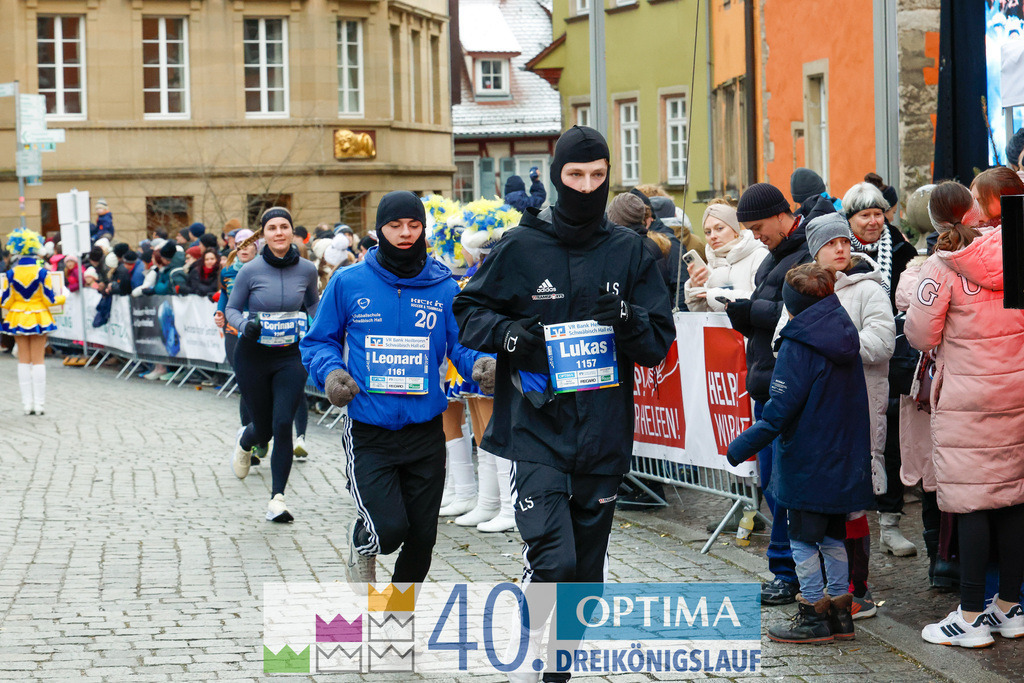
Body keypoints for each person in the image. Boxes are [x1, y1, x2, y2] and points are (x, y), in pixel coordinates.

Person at [453, 126, 674, 682]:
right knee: (554, 556)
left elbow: (657, 345)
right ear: (556, 178)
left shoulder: (629, 252)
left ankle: (559, 667)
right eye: (575, 176)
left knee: (585, 574)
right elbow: (467, 312)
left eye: (597, 176)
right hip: (536, 425)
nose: (586, 186)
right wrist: (513, 336)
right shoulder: (521, 246)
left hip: (602, 430)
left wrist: (627, 318)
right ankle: (529, 649)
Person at [301, 191, 491, 586]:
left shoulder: (443, 285)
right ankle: (362, 542)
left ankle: (398, 620)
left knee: (422, 538)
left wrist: (481, 364)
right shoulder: (348, 281)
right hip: (370, 429)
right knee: (389, 531)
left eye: (413, 225)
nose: (405, 233)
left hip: (425, 430)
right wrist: (333, 375)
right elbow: (319, 341)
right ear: (380, 230)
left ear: (423, 228)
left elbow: (460, 343)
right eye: (395, 225)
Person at [727, 263, 874, 644]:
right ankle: (841, 614)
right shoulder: (843, 333)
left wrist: (739, 447)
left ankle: (812, 613)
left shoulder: (798, 344)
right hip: (842, 458)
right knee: (832, 536)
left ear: (791, 306)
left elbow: (778, 411)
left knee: (803, 539)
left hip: (808, 460)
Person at [907, 180, 1024, 648]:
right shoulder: (1014, 250)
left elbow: (919, 334)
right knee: (1014, 496)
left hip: (967, 398)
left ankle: (972, 615)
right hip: (1015, 389)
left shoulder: (942, 266)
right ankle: (1010, 607)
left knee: (972, 501)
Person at [726, 182, 819, 606]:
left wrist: (749, 311)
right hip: (765, 380)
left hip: (787, 386)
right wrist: (743, 316)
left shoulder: (806, 252)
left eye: (759, 226)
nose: (756, 235)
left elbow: (797, 312)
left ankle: (789, 571)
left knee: (782, 482)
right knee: (770, 479)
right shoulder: (772, 256)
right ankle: (784, 567)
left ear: (783, 215)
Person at [800, 212, 895, 620]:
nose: (840, 248)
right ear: (815, 251)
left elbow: (883, 341)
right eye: (830, 243)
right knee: (824, 499)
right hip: (817, 412)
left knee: (854, 499)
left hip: (858, 404)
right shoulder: (802, 288)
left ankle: (858, 591)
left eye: (844, 241)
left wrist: (835, 343)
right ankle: (824, 589)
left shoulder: (868, 289)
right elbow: (783, 338)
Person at [841, 182, 920, 558]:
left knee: (889, 441)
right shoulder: (840, 253)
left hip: (893, 357)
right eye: (864, 215)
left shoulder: (901, 250)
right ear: (850, 219)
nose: (873, 222)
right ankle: (853, 521)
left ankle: (890, 523)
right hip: (849, 360)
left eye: (878, 214)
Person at [227, 207, 319, 523]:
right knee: (263, 429)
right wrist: (244, 326)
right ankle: (245, 441)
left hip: (290, 356)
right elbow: (232, 309)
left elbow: (313, 304)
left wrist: (319, 324)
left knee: (283, 423)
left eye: (284, 227)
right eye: (272, 228)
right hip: (253, 355)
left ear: (292, 232)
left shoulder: (307, 270)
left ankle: (277, 499)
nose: (278, 233)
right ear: (263, 235)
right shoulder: (249, 270)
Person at [1, 229, 66, 415]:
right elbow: (50, 300)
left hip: (18, 316)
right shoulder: (43, 273)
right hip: (39, 316)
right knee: (38, 360)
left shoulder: (11, 273)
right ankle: (39, 405)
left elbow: (5, 301)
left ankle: (26, 404)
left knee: (23, 359)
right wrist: (63, 297)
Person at [683, 199, 768, 313]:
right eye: (708, 232)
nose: (713, 236)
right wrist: (695, 289)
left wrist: (715, 295)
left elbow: (762, 301)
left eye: (719, 229)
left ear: (735, 230)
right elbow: (702, 313)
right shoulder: (711, 263)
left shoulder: (759, 255)